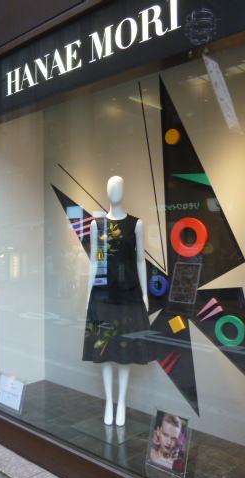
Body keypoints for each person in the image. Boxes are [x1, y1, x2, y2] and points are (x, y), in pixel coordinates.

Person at [82, 176, 152, 426]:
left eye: (119, 186)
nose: (115, 191)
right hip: (102, 294)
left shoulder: (136, 224)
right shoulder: (97, 225)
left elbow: (141, 260)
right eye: (112, 186)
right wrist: (88, 293)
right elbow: (95, 261)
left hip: (128, 294)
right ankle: (109, 402)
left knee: (124, 347)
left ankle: (121, 402)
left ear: (124, 191)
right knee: (104, 347)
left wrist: (144, 294)